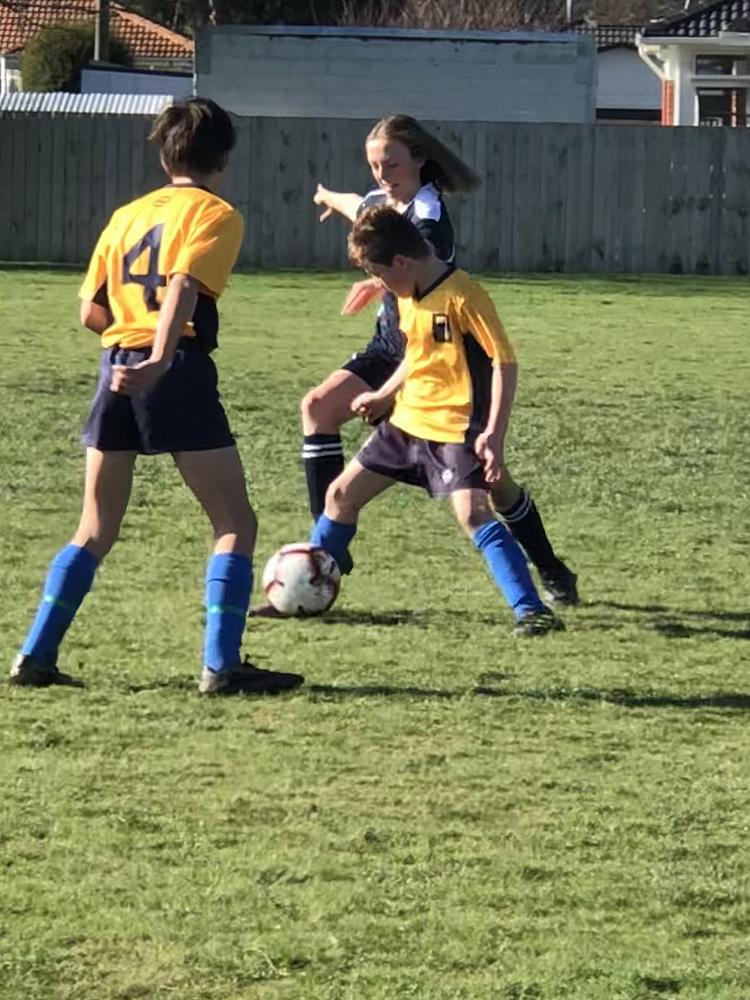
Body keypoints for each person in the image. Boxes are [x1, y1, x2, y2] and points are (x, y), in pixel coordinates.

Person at [9, 98, 303, 696]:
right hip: (175, 369)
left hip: (115, 366)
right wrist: (162, 357)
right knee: (235, 522)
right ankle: (222, 666)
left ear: (165, 156)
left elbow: (90, 311)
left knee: (94, 528)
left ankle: (34, 655)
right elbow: (183, 286)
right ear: (223, 159)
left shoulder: (127, 215)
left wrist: (131, 345)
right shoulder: (216, 213)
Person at [303, 115, 578, 604]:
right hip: (395, 344)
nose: (382, 173)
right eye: (374, 164)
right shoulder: (383, 202)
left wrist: (376, 283)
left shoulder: (428, 217)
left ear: (419, 159)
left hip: (436, 355)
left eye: (390, 163)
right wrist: (327, 196)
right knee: (318, 409)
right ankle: (323, 554)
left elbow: (420, 265)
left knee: (495, 488)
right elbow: (358, 205)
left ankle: (550, 570)